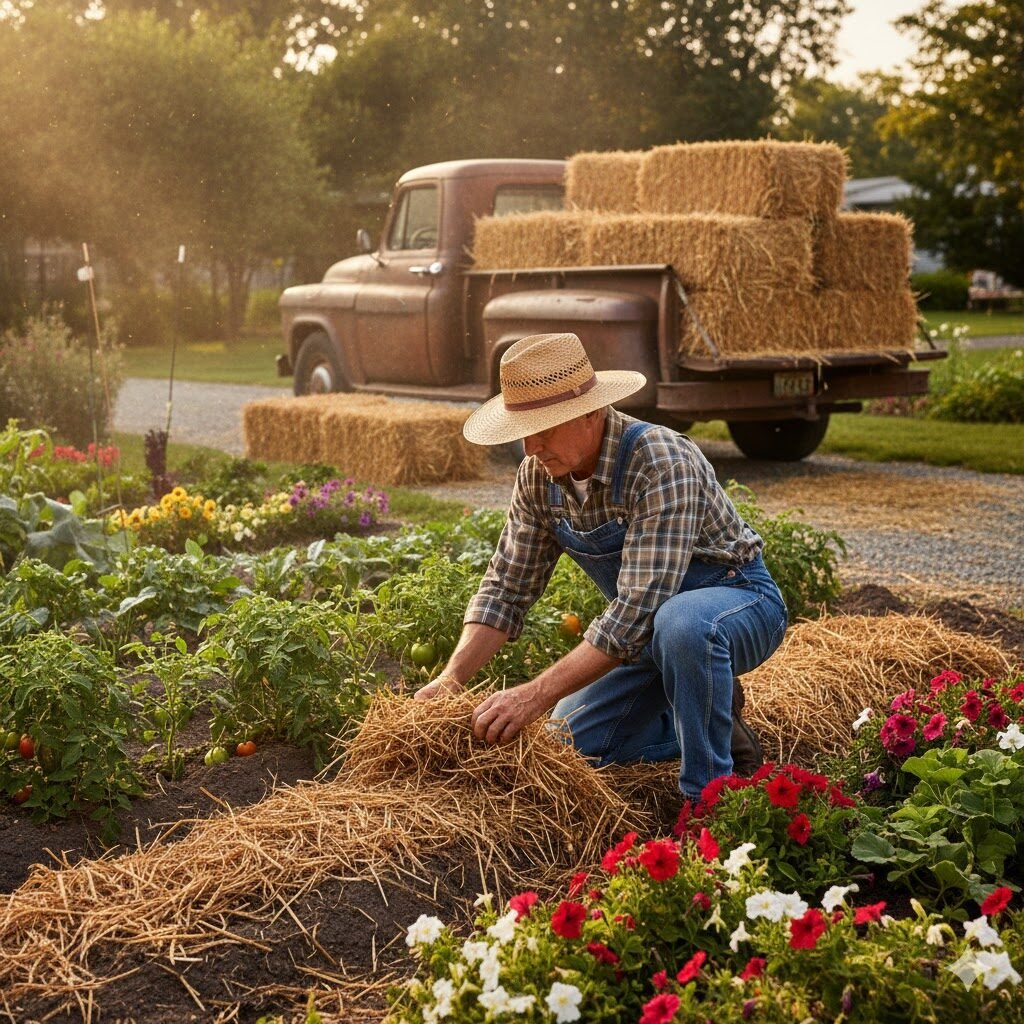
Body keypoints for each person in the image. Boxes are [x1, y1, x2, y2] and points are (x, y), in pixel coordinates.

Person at [415, 332, 787, 799]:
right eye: (523, 432)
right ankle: (704, 716)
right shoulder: (538, 477)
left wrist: (534, 694)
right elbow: (505, 589)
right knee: (566, 745)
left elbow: (640, 607)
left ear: (590, 411)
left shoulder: (659, 461)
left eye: (544, 428)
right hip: (646, 637)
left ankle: (709, 796)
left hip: (736, 604)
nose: (531, 447)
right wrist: (450, 681)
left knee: (683, 624)